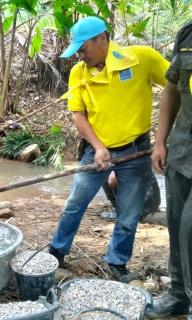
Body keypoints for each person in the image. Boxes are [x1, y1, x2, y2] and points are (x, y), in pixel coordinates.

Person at [48, 17, 169, 283]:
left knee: (128, 212)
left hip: (135, 152)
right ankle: (56, 252)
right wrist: (99, 147)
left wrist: (165, 138)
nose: (80, 56)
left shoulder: (141, 59)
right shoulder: (79, 72)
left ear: (102, 39)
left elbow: (180, 85)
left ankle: (117, 262)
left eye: (83, 49)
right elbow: (78, 114)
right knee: (74, 204)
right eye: (77, 51)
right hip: (97, 152)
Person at [145, 20, 192, 319]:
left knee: (190, 226)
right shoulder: (187, 33)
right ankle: (178, 292)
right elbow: (172, 90)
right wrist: (159, 142)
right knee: (175, 223)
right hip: (183, 147)